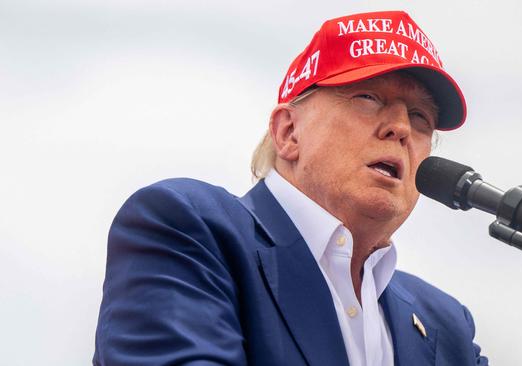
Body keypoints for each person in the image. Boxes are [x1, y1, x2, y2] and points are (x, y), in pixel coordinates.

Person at [93, 10, 489, 366]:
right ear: (288, 131)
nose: (401, 128)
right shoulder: (188, 229)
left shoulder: (447, 325)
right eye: (368, 97)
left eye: (420, 117)